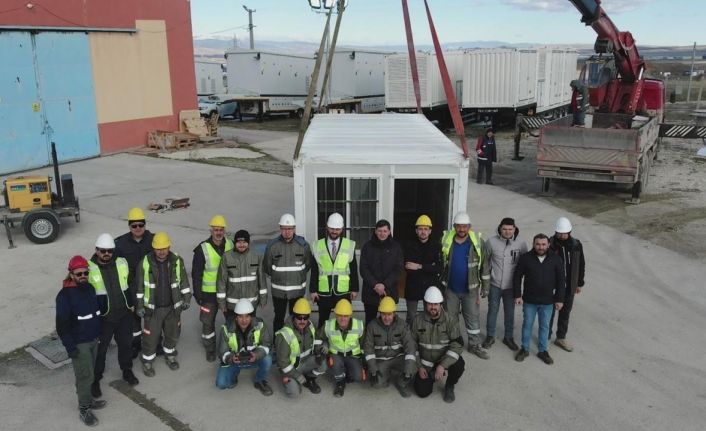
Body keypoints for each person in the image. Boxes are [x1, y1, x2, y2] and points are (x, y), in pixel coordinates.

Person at [56, 255, 106, 426]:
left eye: (85, 272)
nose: (83, 276)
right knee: (85, 376)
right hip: (80, 343)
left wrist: (98, 334)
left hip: (93, 339)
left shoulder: (90, 288)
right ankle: (84, 409)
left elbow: (95, 314)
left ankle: (89, 401)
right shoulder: (64, 296)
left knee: (90, 373)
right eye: (79, 274)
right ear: (71, 274)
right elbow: (62, 326)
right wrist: (71, 348)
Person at [88, 233, 138, 401]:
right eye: (103, 251)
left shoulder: (121, 263)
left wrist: (132, 304)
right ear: (96, 250)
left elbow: (130, 283)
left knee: (125, 344)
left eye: (109, 251)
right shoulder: (89, 269)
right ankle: (95, 379)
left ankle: (126, 370)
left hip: (124, 314)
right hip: (104, 318)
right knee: (100, 351)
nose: (106, 254)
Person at [135, 232, 191, 376]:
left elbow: (184, 282)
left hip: (172, 308)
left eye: (164, 248)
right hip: (153, 310)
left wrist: (186, 299)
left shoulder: (177, 261)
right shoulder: (145, 262)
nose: (161, 251)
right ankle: (147, 361)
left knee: (172, 334)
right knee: (150, 337)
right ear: (153, 248)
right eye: (158, 248)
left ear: (169, 246)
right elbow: (140, 287)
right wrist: (140, 306)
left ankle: (170, 356)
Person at [441, 212, 491, 359]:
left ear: (469, 227)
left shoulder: (477, 242)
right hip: (451, 289)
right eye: (458, 226)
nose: (461, 229)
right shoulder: (446, 240)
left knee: (473, 318)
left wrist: (485, 287)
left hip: (471, 290)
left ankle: (474, 345)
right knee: (451, 318)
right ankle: (454, 344)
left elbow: (485, 267)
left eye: (464, 226)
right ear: (454, 227)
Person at [513, 234, 565, 365]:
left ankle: (543, 351)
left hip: (548, 301)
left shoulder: (556, 259)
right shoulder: (525, 258)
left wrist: (559, 299)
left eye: (543, 244)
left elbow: (561, 281)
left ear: (548, 244)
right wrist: (518, 295)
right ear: (533, 244)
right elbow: (517, 277)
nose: (540, 247)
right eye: (538, 244)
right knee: (527, 325)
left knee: (545, 326)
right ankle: (524, 349)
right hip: (529, 300)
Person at [192, 215, 234, 362]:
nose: (218, 233)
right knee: (207, 323)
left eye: (221, 230)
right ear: (211, 230)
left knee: (231, 321)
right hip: (208, 295)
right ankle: (210, 349)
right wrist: (198, 295)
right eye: (216, 230)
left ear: (224, 230)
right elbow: (196, 274)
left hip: (228, 292)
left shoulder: (231, 245)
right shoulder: (202, 249)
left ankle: (230, 346)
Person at [482, 218, 528, 352]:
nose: (507, 232)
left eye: (510, 229)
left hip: (511, 286)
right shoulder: (491, 242)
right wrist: (485, 284)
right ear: (499, 228)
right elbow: (485, 263)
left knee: (510, 312)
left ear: (514, 229)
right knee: (492, 311)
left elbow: (525, 264)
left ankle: (508, 337)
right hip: (494, 285)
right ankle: (490, 336)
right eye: (504, 229)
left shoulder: (521, 243)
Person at [412, 286, 464, 403]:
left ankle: (449, 385)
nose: (433, 307)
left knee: (459, 364)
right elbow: (411, 345)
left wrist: (442, 365)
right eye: (430, 304)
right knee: (422, 392)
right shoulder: (417, 320)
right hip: (425, 363)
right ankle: (429, 375)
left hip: (442, 360)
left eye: (436, 304)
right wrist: (419, 367)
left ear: (441, 304)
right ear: (425, 304)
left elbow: (458, 345)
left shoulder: (450, 321)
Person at [115, 207, 155, 358]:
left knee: (152, 318)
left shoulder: (154, 240)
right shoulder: (120, 243)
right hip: (131, 288)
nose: (138, 228)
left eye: (141, 225)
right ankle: (135, 344)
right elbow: (103, 256)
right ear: (129, 226)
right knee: (134, 321)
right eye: (134, 226)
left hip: (151, 287)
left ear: (145, 225)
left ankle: (155, 342)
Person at [263, 213, 313, 334]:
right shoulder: (272, 246)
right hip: (278, 292)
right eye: (284, 229)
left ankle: (295, 343)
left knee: (296, 318)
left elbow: (308, 264)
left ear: (294, 229)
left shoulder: (303, 245)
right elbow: (267, 267)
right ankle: (278, 344)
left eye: (289, 229)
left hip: (297, 291)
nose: (287, 232)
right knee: (279, 318)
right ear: (280, 229)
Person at [310, 213, 359, 327]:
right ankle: (321, 342)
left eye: (337, 229)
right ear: (327, 228)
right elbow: (314, 271)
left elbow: (353, 270)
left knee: (344, 318)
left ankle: (344, 341)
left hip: (343, 291)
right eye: (332, 228)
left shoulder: (349, 245)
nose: (334, 231)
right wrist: (313, 290)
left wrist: (355, 289)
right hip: (324, 292)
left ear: (341, 229)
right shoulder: (318, 245)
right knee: (323, 319)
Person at [215, 300, 273, 396]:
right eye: (240, 316)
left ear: (251, 316)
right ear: (236, 317)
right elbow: (222, 352)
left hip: (253, 358)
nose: (244, 320)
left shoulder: (260, 325)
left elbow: (266, 344)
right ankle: (234, 374)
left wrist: (256, 355)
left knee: (268, 359)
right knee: (221, 384)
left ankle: (260, 380)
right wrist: (232, 359)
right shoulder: (226, 329)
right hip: (235, 361)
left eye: (247, 316)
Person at [363, 296, 416, 398]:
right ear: (380, 313)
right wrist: (373, 370)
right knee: (377, 384)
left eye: (389, 314)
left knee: (413, 368)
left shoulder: (402, 325)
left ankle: (401, 383)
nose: (386, 318)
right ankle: (386, 374)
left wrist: (408, 368)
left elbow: (410, 346)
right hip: (381, 360)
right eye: (383, 314)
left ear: (394, 313)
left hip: (398, 358)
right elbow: (368, 349)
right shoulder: (372, 326)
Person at [274, 298, 326, 397]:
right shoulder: (284, 335)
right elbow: (283, 363)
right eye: (299, 317)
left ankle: (310, 379)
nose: (302, 320)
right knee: (294, 393)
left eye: (305, 317)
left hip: (306, 362)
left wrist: (321, 348)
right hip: (291, 368)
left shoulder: (310, 326)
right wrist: (296, 375)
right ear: (294, 316)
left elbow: (317, 341)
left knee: (323, 363)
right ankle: (288, 379)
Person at [549, 216, 586, 352]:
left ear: (569, 232)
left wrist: (579, 283)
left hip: (569, 286)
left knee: (565, 313)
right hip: (553, 286)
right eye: (559, 233)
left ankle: (561, 338)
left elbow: (581, 264)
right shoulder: (549, 244)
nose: (562, 235)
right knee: (549, 312)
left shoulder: (576, 245)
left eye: (564, 233)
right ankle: (545, 337)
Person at [316, 299, 365, 397]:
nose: (342, 319)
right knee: (335, 365)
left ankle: (345, 371)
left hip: (353, 356)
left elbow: (365, 344)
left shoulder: (359, 325)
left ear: (350, 315)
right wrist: (323, 345)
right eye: (339, 315)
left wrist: (364, 361)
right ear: (335, 314)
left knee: (359, 377)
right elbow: (318, 338)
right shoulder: (328, 325)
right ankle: (340, 383)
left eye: (346, 316)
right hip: (336, 355)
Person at [216, 229, 267, 320]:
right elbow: (221, 282)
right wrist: (221, 303)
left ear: (248, 243)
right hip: (232, 305)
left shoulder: (257, 256)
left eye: (244, 242)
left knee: (249, 329)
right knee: (232, 329)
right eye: (239, 242)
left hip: (251, 303)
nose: (242, 245)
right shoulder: (226, 257)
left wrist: (263, 299)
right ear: (235, 243)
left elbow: (262, 280)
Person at [360, 219, 404, 324]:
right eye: (379, 231)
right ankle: (369, 340)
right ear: (375, 231)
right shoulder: (367, 246)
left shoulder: (396, 247)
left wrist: (384, 285)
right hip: (371, 291)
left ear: (389, 232)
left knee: (389, 321)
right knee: (370, 321)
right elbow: (363, 269)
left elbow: (398, 268)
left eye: (385, 231)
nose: (382, 233)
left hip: (389, 291)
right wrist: (376, 285)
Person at [403, 215, 442, 327]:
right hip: (413, 285)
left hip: (430, 285)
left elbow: (439, 268)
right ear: (416, 231)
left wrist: (419, 266)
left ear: (430, 231)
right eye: (420, 229)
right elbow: (408, 266)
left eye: (425, 229)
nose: (423, 232)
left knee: (429, 314)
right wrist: (429, 266)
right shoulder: (409, 245)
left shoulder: (436, 246)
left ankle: (426, 338)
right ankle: (409, 339)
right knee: (411, 316)